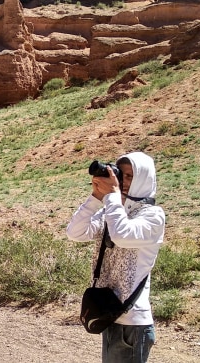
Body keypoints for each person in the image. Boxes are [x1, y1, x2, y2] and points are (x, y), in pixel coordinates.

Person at [67, 151, 165, 363]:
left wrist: (111, 196)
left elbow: (122, 235)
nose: (124, 182)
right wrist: (95, 198)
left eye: (131, 176)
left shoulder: (153, 215)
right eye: (122, 176)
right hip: (110, 313)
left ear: (144, 179)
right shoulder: (113, 211)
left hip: (132, 322)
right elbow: (75, 233)